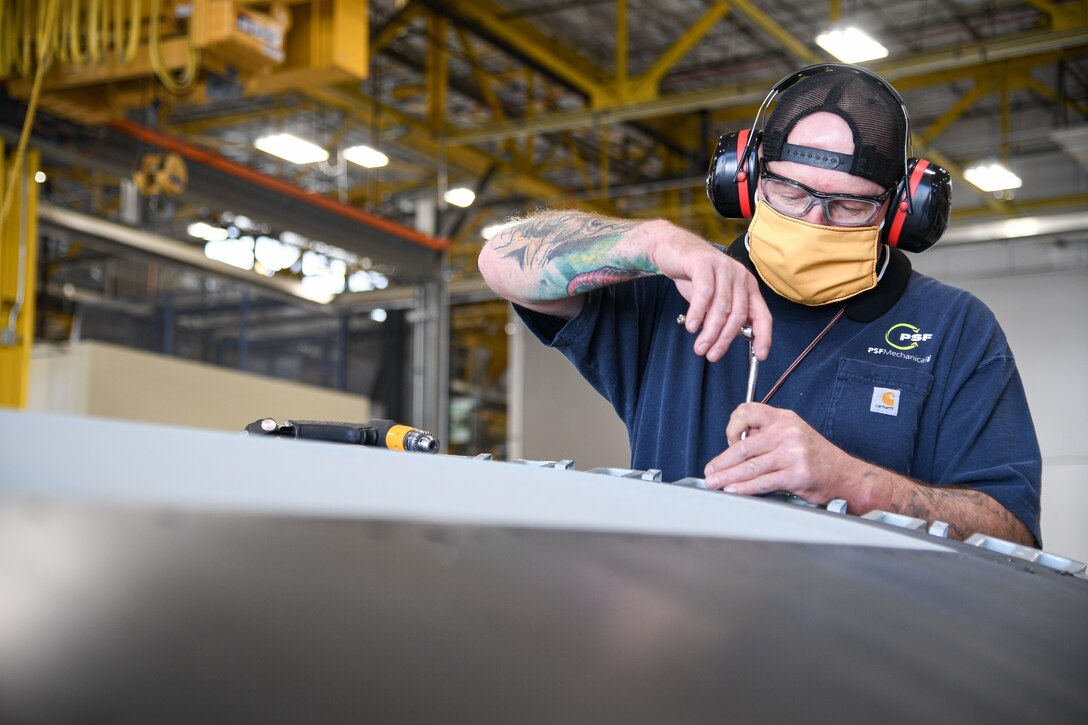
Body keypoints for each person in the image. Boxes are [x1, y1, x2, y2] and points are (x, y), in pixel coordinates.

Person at [477, 64, 1041, 546]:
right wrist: (652, 243)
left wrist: (860, 485)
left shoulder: (953, 328)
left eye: (849, 206)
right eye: (790, 192)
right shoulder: (666, 291)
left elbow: (1011, 528)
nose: (812, 221)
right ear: (745, 180)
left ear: (900, 212)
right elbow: (500, 258)